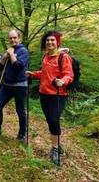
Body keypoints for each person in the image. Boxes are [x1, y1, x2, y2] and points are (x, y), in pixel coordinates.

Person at [26, 31, 73, 165]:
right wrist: (33, 74)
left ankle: (55, 148)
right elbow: (44, 73)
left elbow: (69, 74)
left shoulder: (64, 57)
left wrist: (63, 81)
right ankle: (58, 146)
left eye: (52, 40)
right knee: (50, 120)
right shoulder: (46, 56)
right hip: (44, 93)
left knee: (54, 120)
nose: (49, 42)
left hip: (58, 94)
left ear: (57, 42)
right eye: (47, 40)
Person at [0, 30, 29, 142]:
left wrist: (12, 55)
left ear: (19, 38)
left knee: (20, 110)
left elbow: (18, 67)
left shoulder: (23, 51)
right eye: (10, 38)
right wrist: (5, 56)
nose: (12, 40)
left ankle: (22, 134)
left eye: (14, 38)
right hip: (6, 85)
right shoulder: (8, 50)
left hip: (20, 85)